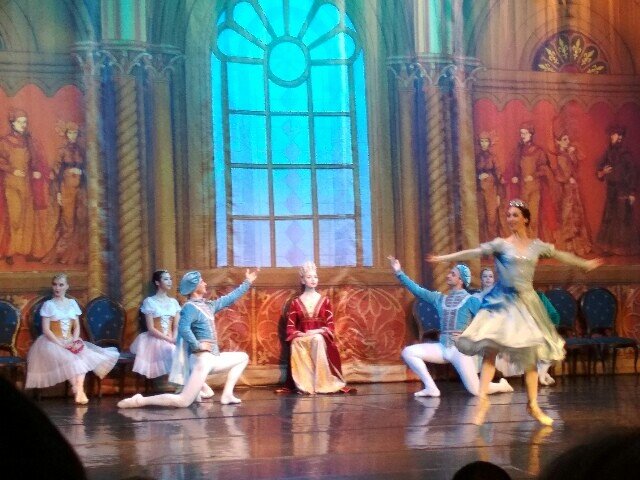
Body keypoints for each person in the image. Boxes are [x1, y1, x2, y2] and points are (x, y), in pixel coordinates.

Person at [428, 200, 602, 425]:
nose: (510, 219)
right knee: (491, 350)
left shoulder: (536, 246)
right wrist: (444, 258)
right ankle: (482, 400)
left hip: (526, 304)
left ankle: (533, 405)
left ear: (525, 219)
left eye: (515, 215)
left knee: (530, 356)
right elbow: (474, 252)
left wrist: (584, 264)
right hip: (501, 302)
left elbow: (561, 255)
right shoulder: (501, 244)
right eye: (508, 215)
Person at [118, 268, 258, 408]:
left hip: (212, 358)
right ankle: (140, 400)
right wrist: (198, 345)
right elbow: (184, 329)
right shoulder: (189, 307)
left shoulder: (207, 306)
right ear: (194, 287)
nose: (205, 284)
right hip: (201, 360)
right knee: (183, 401)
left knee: (242, 357)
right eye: (202, 282)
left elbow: (230, 298)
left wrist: (247, 282)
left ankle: (227, 395)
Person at [389, 256, 513, 398]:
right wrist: (399, 272)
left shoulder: (470, 300)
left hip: (459, 351)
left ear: (461, 280)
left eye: (453, 274)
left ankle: (502, 385)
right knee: (408, 352)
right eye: (449, 273)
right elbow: (417, 290)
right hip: (442, 348)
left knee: (476, 391)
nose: (448, 276)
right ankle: (431, 388)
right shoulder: (440, 298)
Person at [25, 273, 119, 404]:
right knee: (73, 361)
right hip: (52, 342)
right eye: (55, 285)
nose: (57, 288)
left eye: (61, 285)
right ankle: (79, 390)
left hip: (70, 340)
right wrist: (61, 344)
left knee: (83, 360)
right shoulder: (48, 305)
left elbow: (76, 326)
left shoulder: (72, 303)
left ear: (67, 286)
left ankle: (78, 390)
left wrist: (74, 340)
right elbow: (46, 330)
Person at [477, 267, 560, 386]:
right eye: (485, 276)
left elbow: (553, 315)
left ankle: (541, 373)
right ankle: (540, 373)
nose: (488, 279)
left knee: (547, 342)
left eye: (490, 276)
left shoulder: (537, 296)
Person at [285, 261, 352, 394]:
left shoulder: (324, 301)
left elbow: (330, 326)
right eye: (309, 277)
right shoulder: (296, 302)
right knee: (295, 342)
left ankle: (321, 383)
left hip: (320, 337)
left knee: (317, 339)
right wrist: (301, 334)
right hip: (304, 337)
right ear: (303, 280)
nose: (313, 279)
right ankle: (305, 384)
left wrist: (317, 331)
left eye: (315, 277)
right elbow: (290, 327)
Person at [43, 121, 87, 264]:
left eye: (75, 133)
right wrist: (58, 193)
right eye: (70, 133)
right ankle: (62, 254)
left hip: (81, 190)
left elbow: (88, 169)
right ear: (66, 134)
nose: (72, 135)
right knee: (68, 222)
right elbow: (55, 173)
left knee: (81, 220)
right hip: (66, 189)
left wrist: (81, 172)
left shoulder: (81, 150)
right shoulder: (62, 150)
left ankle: (76, 255)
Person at [595, 125, 639, 255]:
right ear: (611, 136)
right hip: (611, 191)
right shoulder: (608, 152)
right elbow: (599, 169)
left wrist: (632, 192)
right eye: (615, 134)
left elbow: (633, 173)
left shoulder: (626, 154)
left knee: (623, 218)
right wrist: (603, 172)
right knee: (609, 218)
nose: (618, 137)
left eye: (620, 135)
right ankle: (609, 248)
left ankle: (623, 249)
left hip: (623, 191)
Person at [129, 270, 180, 380]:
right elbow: (151, 328)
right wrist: (168, 339)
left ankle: (181, 384)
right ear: (157, 282)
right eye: (166, 279)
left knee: (182, 352)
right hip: (155, 339)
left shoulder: (174, 302)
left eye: (170, 279)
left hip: (171, 338)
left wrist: (174, 338)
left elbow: (176, 325)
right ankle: (174, 384)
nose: (169, 281)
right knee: (172, 352)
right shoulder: (150, 302)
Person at [510, 123, 553, 239]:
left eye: (525, 133)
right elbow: (516, 168)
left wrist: (533, 176)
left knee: (533, 218)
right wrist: (516, 176)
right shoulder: (519, 150)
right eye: (521, 133)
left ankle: (533, 242)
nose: (523, 135)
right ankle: (524, 243)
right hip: (523, 188)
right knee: (523, 217)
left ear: (531, 134)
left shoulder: (538, 151)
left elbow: (544, 169)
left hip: (535, 188)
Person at [553, 130, 591, 256]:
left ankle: (579, 246)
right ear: (558, 142)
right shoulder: (559, 157)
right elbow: (562, 174)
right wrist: (568, 178)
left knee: (576, 214)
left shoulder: (569, 154)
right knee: (568, 215)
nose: (568, 142)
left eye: (568, 139)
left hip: (573, 188)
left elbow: (580, 160)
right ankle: (568, 246)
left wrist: (572, 154)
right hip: (565, 190)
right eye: (564, 139)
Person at [476, 132, 507, 241]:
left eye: (486, 141)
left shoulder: (493, 157)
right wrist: (478, 176)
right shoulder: (476, 157)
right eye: (482, 141)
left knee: (492, 219)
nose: (484, 143)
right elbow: (471, 174)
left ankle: (492, 245)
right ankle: (482, 245)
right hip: (479, 191)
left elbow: (499, 176)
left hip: (491, 191)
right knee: (481, 218)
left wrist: (498, 195)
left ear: (489, 143)